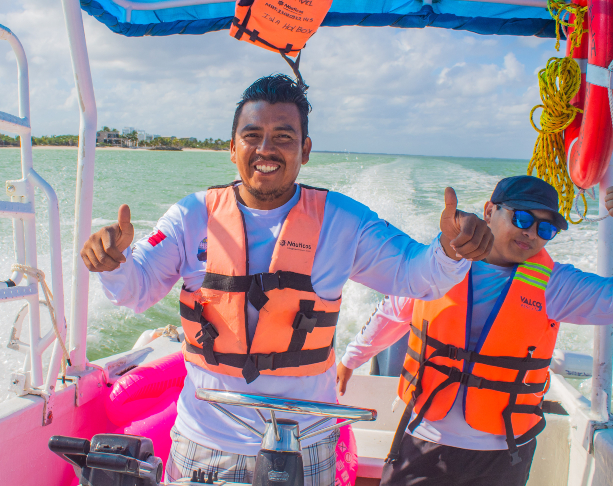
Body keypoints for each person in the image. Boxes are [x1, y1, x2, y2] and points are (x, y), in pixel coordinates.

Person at [81, 74, 494, 485]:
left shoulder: (344, 222)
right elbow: (135, 291)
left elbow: (416, 274)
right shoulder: (190, 217)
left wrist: (451, 249)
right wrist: (113, 262)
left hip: (306, 445)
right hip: (205, 440)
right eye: (252, 135)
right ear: (232, 148)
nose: (265, 149)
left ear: (305, 150)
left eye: (283, 136)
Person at [336, 174, 613, 486]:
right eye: (522, 218)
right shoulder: (441, 264)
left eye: (545, 228)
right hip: (425, 439)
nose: (531, 232)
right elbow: (393, 313)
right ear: (490, 211)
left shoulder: (555, 285)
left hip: (504, 456)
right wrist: (351, 359)